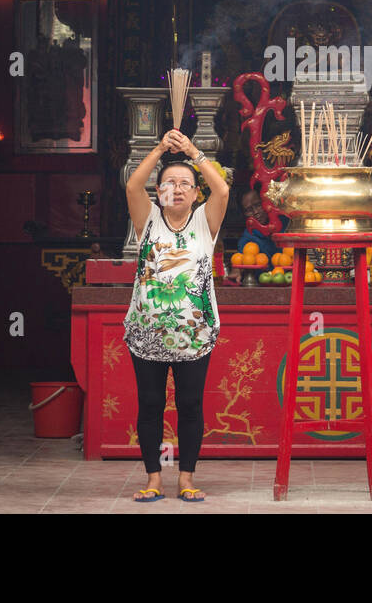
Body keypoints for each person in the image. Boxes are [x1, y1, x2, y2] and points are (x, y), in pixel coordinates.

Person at [123, 128, 228, 503]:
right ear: (159, 191)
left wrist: (193, 152)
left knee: (190, 405)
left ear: (196, 193)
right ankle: (154, 478)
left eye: (186, 184)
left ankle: (186, 477)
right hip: (147, 334)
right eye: (170, 183)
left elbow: (224, 190)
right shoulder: (147, 218)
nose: (178, 189)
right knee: (150, 403)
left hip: (194, 335)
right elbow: (134, 184)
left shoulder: (204, 221)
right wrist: (161, 148)